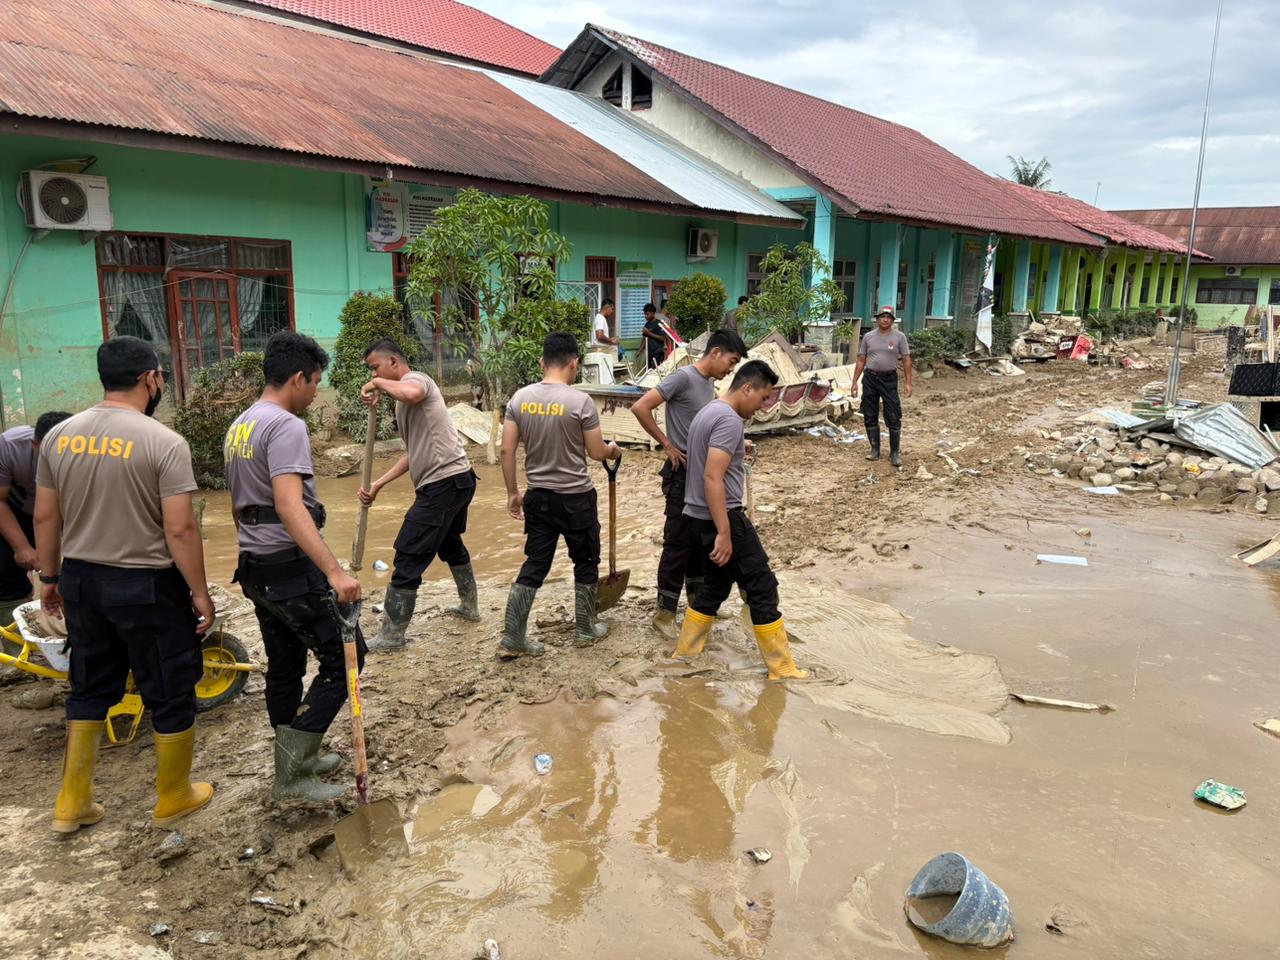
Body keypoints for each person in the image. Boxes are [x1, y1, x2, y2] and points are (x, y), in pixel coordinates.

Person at [38, 337, 215, 833]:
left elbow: (46, 515)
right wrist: (199, 592)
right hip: (147, 586)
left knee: (89, 686)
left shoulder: (60, 436)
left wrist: (51, 579)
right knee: (169, 686)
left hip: (81, 581)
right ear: (150, 378)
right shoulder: (163, 441)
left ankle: (72, 802)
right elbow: (180, 529)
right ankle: (173, 796)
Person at [225, 331, 362, 803]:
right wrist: (335, 572)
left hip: (255, 565)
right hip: (287, 565)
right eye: (316, 382)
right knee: (346, 658)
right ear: (298, 378)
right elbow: (289, 505)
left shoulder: (241, 424)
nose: (316, 392)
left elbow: (241, 506)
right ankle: (295, 770)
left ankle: (292, 756)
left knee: (284, 665)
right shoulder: (285, 426)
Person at [672, 359, 807, 680]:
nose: (763, 407)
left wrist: (737, 445)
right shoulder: (728, 421)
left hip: (698, 517)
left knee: (716, 586)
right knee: (762, 585)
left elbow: (707, 455)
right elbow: (712, 477)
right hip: (723, 517)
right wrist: (724, 531)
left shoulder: (708, 412)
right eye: (763, 399)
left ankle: (686, 653)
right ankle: (782, 668)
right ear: (746, 388)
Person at [497, 332, 621, 657]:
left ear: (542, 362)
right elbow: (596, 452)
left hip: (537, 496)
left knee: (535, 563)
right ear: (574, 363)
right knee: (586, 561)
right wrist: (612, 450)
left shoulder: (519, 399)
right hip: (576, 498)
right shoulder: (580, 402)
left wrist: (513, 492)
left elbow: (507, 450)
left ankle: (513, 636)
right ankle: (585, 629)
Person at [358, 339, 479, 650]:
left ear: (394, 363)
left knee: (409, 555)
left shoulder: (417, 381)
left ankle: (391, 635)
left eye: (376, 367)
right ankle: (470, 608)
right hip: (455, 481)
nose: (374, 375)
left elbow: (410, 391)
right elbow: (412, 454)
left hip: (445, 484)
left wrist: (376, 384)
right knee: (450, 544)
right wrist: (378, 485)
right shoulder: (404, 404)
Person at [631, 329, 747, 639]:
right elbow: (641, 407)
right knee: (678, 543)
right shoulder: (683, 378)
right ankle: (664, 613)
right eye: (731, 361)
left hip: (702, 473)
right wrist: (666, 444)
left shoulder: (709, 384)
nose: (731, 369)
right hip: (681, 473)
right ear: (715, 353)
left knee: (699, 543)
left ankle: (696, 605)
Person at [0, 411, 71, 626]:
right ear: (34, 444)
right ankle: (18, 640)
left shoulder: (88, 450)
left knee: (77, 573)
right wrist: (22, 547)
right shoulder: (9, 446)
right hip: (16, 508)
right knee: (6, 573)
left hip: (68, 509)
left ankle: (70, 630)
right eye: (49, 454)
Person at [853, 305, 912, 467]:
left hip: (889, 380)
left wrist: (908, 382)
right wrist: (854, 382)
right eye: (882, 316)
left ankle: (894, 453)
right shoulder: (868, 337)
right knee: (870, 414)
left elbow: (906, 360)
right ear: (877, 319)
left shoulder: (900, 337)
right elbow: (861, 359)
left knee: (893, 414)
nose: (885, 319)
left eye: (888, 317)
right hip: (870, 379)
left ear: (893, 320)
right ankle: (875, 450)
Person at [640, 303, 668, 369]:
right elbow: (644, 338)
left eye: (647, 314)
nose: (645, 316)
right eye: (644, 314)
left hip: (658, 352)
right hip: (649, 352)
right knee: (649, 371)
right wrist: (640, 350)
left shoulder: (659, 323)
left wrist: (649, 333)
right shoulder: (647, 324)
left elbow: (662, 338)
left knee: (656, 372)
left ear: (653, 313)